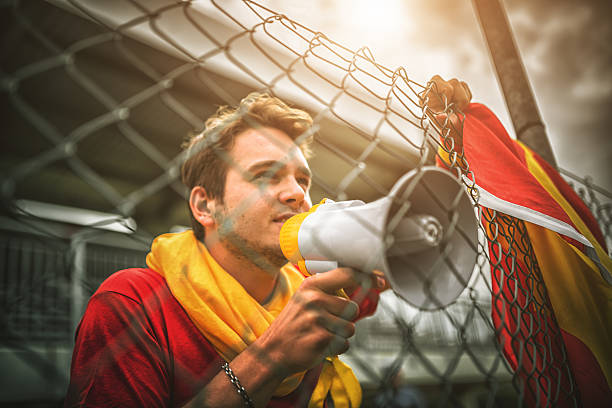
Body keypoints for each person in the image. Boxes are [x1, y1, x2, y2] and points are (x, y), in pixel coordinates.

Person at [64, 79, 473, 408]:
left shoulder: (312, 283)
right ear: (206, 206)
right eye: (266, 175)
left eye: (303, 179)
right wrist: (271, 358)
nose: (298, 193)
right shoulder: (131, 304)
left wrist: (450, 150)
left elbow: (404, 249)